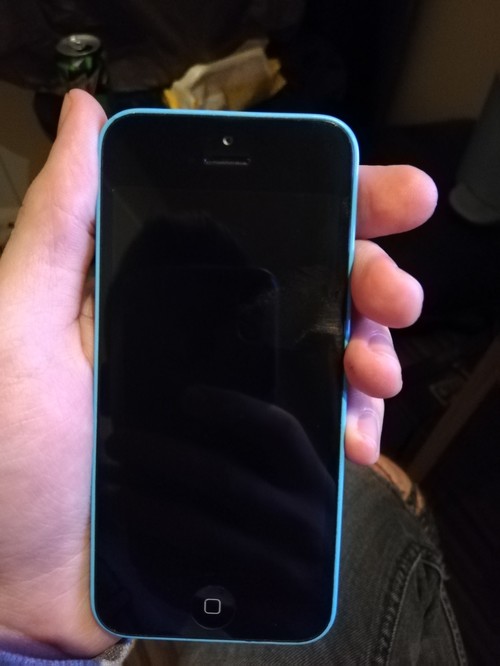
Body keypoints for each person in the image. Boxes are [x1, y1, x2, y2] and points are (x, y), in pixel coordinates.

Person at [0, 90, 466, 665]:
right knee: (378, 492)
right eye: (172, 328)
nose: (194, 345)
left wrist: (19, 618)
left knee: (376, 488)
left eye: (220, 326)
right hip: (200, 571)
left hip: (123, 579)